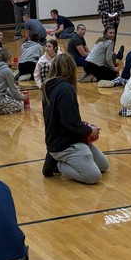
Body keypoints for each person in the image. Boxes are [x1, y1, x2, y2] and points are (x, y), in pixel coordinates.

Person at [41, 53, 109, 184]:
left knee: (103, 166)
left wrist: (87, 128)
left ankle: (55, 156)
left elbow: (65, 119)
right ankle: (58, 165)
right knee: (93, 176)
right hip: (66, 143)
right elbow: (70, 122)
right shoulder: (66, 89)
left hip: (63, 139)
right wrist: (89, 130)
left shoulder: (48, 86)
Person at [0, 49, 24, 115]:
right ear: (9, 58)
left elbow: (7, 89)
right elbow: (13, 89)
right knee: (19, 105)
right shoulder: (7, 70)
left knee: (15, 99)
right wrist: (22, 97)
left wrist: (17, 97)